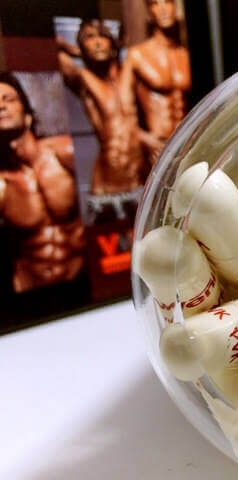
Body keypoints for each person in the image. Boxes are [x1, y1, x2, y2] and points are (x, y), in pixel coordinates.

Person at [0, 72, 84, 293]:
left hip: (82, 282)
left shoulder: (65, 153)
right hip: (33, 293)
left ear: (27, 115)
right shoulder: (2, 184)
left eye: (8, 99)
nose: (1, 107)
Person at [57, 19, 145, 203]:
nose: (97, 42)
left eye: (102, 36)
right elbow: (57, 52)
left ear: (112, 43)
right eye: (89, 38)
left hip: (139, 181)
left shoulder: (128, 73)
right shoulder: (83, 79)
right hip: (107, 189)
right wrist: (75, 50)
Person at [121, 0, 191, 167]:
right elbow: (122, 109)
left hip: (187, 143)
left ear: (176, 7)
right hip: (157, 147)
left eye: (167, 2)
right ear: (149, 12)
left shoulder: (185, 54)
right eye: (155, 4)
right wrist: (145, 139)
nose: (162, 10)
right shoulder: (137, 55)